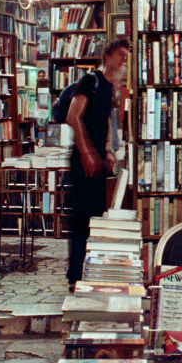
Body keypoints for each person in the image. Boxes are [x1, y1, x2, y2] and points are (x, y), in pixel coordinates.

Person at [64, 36, 130, 289]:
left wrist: (107, 150)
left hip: (97, 159)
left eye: (126, 56)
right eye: (120, 55)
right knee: (81, 219)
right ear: (107, 56)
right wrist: (87, 153)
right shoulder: (90, 81)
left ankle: (87, 273)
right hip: (83, 160)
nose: (124, 60)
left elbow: (105, 120)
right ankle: (75, 277)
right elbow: (73, 117)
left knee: (94, 217)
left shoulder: (109, 87)